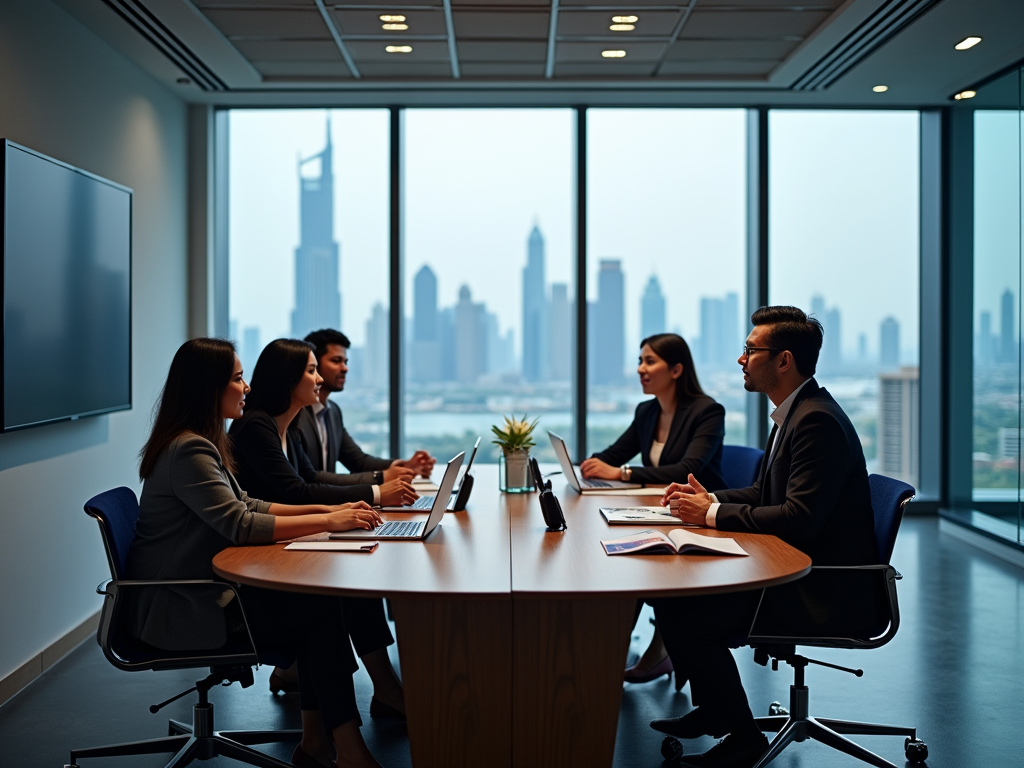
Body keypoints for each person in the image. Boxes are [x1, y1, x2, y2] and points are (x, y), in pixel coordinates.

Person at [126, 337, 385, 768]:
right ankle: (338, 748)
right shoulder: (188, 450)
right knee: (321, 612)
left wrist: (330, 509)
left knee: (323, 604)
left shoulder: (201, 443)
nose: (246, 388)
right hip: (179, 607)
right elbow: (240, 525)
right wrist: (326, 521)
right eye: (237, 378)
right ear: (208, 387)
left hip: (198, 593)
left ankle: (323, 744)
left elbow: (248, 503)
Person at [647, 306, 879, 768]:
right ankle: (718, 709)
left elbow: (798, 517)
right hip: (794, 569)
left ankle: (742, 737)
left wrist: (710, 514)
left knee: (685, 612)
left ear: (784, 360)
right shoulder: (795, 413)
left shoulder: (816, 421)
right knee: (673, 601)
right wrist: (707, 496)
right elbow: (765, 491)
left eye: (751, 350)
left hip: (824, 587)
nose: (741, 359)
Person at [229, 338, 413, 715]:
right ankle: (379, 694)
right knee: (335, 598)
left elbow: (310, 479)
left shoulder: (289, 426)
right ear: (288, 378)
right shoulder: (255, 427)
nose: (319, 380)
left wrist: (353, 503)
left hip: (282, 543)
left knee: (355, 588)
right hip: (256, 554)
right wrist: (370, 496)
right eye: (312, 371)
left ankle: (384, 689)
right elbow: (296, 491)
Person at [580, 333, 726, 686]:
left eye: (649, 362)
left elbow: (686, 468)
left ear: (676, 370)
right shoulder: (647, 411)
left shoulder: (706, 411)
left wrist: (623, 473)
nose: (640, 369)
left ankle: (630, 655)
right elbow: (613, 455)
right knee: (621, 558)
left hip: (697, 520)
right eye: (640, 361)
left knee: (633, 566)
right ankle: (607, 656)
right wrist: (584, 467)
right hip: (660, 513)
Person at [295, 328, 435, 482]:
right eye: (336, 361)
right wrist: (381, 477)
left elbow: (358, 462)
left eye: (345, 362)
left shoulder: (333, 411)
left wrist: (406, 466)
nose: (345, 368)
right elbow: (310, 477)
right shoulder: (296, 414)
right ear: (313, 364)